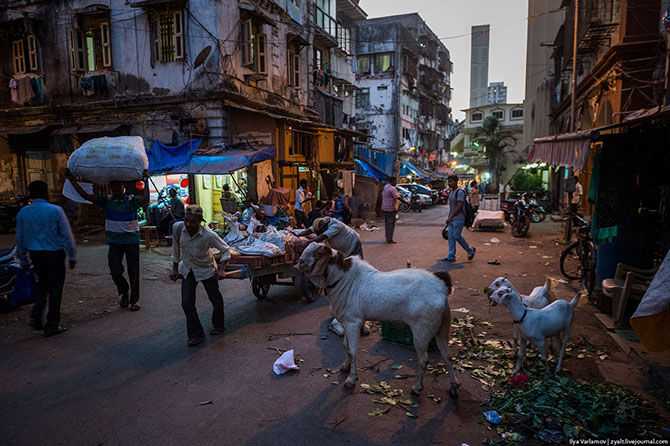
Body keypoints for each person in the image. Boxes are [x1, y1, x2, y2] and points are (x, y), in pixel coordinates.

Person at [66, 169, 149, 311]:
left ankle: (134, 301)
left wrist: (146, 180)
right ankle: (124, 289)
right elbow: (86, 196)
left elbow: (145, 200)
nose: (117, 190)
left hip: (131, 242)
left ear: (123, 188)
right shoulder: (106, 201)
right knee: (115, 271)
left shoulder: (132, 201)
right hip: (115, 243)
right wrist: (72, 180)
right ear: (111, 189)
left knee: (133, 272)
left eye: (119, 187)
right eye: (114, 187)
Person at [16, 180, 77, 337]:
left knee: (42, 286)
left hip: (36, 255)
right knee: (56, 289)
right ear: (46, 193)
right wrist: (72, 255)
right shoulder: (55, 210)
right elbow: (66, 235)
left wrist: (23, 259)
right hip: (54, 254)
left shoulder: (24, 212)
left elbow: (20, 237)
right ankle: (52, 323)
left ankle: (37, 316)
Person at [170, 205, 230, 346]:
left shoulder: (209, 235)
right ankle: (196, 334)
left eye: (192, 222)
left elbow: (226, 250)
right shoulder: (178, 229)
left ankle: (218, 325)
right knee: (186, 303)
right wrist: (174, 269)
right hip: (188, 269)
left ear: (200, 221)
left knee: (215, 299)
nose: (188, 224)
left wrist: (222, 269)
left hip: (206, 269)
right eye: (186, 220)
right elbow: (175, 250)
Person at [294, 217, 366, 335]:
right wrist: (297, 235)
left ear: (325, 227)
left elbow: (322, 237)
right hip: (341, 249)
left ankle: (357, 292)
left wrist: (307, 242)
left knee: (356, 270)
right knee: (340, 270)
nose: (320, 232)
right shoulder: (320, 222)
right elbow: (309, 230)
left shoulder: (335, 226)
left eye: (321, 231)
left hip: (352, 245)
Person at [444, 175, 476, 262]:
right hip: (452, 218)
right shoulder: (451, 192)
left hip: (459, 218)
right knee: (450, 237)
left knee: (457, 236)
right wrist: (449, 217)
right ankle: (451, 255)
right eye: (448, 181)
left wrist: (451, 217)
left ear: (456, 182)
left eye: (451, 181)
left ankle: (470, 250)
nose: (449, 183)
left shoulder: (460, 192)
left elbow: (459, 206)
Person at [381, 177, 410, 244]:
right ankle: (389, 239)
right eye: (395, 181)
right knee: (391, 223)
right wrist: (407, 203)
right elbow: (398, 197)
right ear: (391, 181)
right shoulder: (392, 188)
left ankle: (387, 236)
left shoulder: (385, 187)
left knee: (387, 223)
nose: (396, 183)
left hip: (385, 208)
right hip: (391, 208)